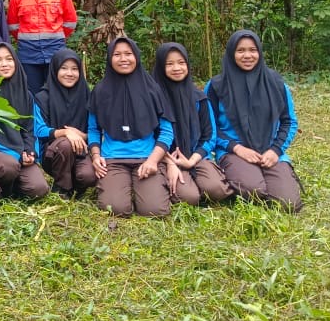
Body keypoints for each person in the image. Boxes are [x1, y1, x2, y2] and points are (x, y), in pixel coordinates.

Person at [205, 30, 302, 212]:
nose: (247, 55)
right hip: (234, 151)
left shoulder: (275, 82)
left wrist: (275, 150)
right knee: (253, 190)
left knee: (288, 204)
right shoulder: (216, 86)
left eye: (253, 50)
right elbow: (210, 127)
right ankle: (240, 176)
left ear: (259, 52)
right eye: (240, 50)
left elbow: (289, 121)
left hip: (270, 151)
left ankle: (277, 177)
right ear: (231, 53)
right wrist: (236, 148)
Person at [87, 37, 172, 218]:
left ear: (136, 56)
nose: (123, 59)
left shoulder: (152, 89)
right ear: (110, 58)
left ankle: (146, 189)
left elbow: (166, 130)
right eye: (117, 54)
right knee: (115, 209)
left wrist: (153, 161)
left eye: (128, 53)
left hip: (146, 158)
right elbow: (93, 129)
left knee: (155, 211)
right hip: (112, 159)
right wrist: (95, 155)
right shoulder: (100, 91)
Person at [152, 43, 234, 206]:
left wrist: (193, 160)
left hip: (196, 155)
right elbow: (149, 136)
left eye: (181, 62)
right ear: (161, 67)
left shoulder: (199, 98)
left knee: (216, 189)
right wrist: (169, 162)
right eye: (169, 64)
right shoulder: (153, 98)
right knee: (189, 197)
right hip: (166, 158)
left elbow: (209, 135)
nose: (177, 68)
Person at [0, 43, 51, 201]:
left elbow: (29, 128)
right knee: (7, 166)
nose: (4, 64)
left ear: (16, 62)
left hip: (19, 153)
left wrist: (29, 152)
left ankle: (12, 186)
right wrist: (16, 155)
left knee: (38, 188)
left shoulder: (26, 95)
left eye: (9, 59)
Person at [6, 0, 78, 94]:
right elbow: (13, 27)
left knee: (59, 92)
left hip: (56, 52)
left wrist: (56, 37)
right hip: (28, 55)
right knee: (31, 94)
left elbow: (70, 23)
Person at [33, 48, 96, 200]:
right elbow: (39, 130)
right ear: (55, 70)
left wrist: (83, 136)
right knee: (65, 144)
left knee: (88, 176)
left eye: (74, 69)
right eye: (64, 68)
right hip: (53, 154)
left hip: (81, 151)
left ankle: (77, 186)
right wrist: (65, 132)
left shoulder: (87, 96)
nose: (69, 73)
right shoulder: (42, 97)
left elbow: (96, 129)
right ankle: (62, 188)